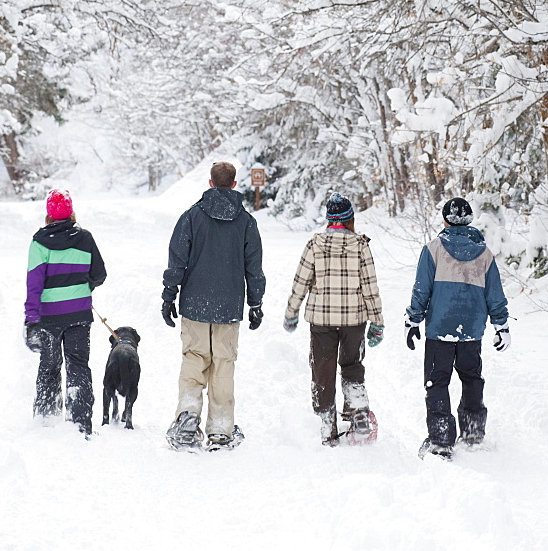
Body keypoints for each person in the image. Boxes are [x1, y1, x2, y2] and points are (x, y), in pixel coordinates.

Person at [161, 161, 266, 451]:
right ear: (234, 185)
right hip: (229, 307)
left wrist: (169, 295)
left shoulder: (192, 217)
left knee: (194, 361)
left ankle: (187, 420)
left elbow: (177, 259)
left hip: (195, 303)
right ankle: (221, 429)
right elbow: (253, 268)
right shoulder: (246, 222)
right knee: (222, 365)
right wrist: (255, 303)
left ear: (210, 183)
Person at [405, 196, 509, 459]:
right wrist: (501, 325)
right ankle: (473, 432)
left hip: (440, 328)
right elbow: (495, 295)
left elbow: (421, 289)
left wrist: (413, 320)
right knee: (471, 378)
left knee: (437, 381)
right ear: (469, 219)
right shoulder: (485, 255)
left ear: (445, 220)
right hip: (472, 330)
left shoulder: (433, 249)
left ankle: (440, 439)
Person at [283, 192, 384, 447]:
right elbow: (370, 286)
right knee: (352, 366)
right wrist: (377, 322)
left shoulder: (314, 244)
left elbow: (300, 282)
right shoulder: (360, 245)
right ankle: (357, 411)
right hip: (354, 320)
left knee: (323, 370)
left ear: (329, 220)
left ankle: (328, 425)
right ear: (350, 219)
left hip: (322, 320)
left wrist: (291, 312)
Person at [24, 189, 107, 435]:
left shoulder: (38, 243)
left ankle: (46, 420)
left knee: (49, 366)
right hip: (79, 314)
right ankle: (81, 422)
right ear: (71, 212)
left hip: (49, 317)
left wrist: (31, 319)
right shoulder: (85, 238)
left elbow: (34, 284)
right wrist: (84, 285)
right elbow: (100, 274)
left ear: (48, 214)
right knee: (78, 366)